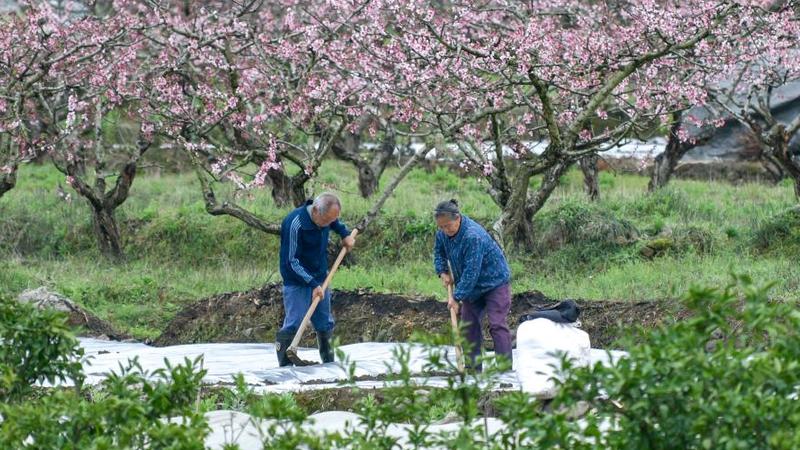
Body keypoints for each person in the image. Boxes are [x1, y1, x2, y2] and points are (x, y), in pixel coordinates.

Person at [276, 192, 355, 366]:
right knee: (294, 322)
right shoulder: (295, 224)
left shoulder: (326, 216)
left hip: (320, 277)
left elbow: (334, 222)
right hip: (296, 280)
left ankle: (329, 363)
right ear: (316, 211)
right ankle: (285, 366)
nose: (328, 224)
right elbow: (291, 261)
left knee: (324, 322)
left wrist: (344, 234)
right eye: (326, 220)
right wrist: (312, 284)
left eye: (331, 221)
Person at [433, 199, 512, 371]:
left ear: (458, 218)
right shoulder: (442, 233)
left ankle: (505, 370)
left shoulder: (472, 236)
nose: (445, 230)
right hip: (471, 287)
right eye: (442, 227)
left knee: (497, 324)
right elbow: (439, 252)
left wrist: (456, 298)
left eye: (448, 226)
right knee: (468, 326)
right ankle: (472, 369)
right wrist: (442, 271)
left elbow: (471, 273)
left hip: (494, 283)